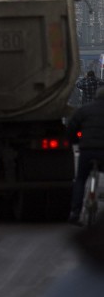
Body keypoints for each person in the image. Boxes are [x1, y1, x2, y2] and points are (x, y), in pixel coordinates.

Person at [67, 83, 104, 223]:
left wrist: (75, 141)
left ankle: (75, 213)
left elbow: (71, 127)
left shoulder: (85, 110)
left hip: (87, 150)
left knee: (81, 179)